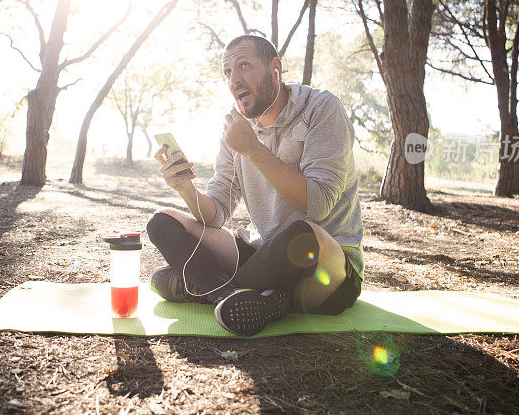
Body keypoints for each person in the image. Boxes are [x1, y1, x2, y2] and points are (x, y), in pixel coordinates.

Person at [146, 34, 365, 336]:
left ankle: (205, 284)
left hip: (326, 268)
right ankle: (229, 296)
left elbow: (319, 203)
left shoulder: (322, 108)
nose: (234, 79)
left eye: (244, 65)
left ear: (275, 68)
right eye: (227, 72)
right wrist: (185, 188)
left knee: (302, 236)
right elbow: (217, 213)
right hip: (262, 255)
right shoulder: (235, 129)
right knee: (161, 222)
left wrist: (253, 150)